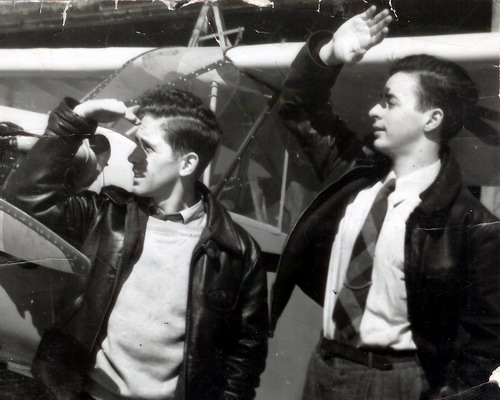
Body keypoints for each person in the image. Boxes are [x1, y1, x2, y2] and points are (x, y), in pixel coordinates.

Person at [270, 6, 500, 400]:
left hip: (400, 383)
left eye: (389, 102)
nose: (373, 110)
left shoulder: (473, 225)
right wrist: (330, 54)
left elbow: (485, 341)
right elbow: (297, 108)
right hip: (324, 366)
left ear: (432, 119)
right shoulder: (351, 172)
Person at [3, 88, 269, 400]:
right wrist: (79, 119)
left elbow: (244, 362)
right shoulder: (106, 214)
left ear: (187, 164)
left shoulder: (237, 251)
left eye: (148, 148)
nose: (132, 157)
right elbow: (24, 202)